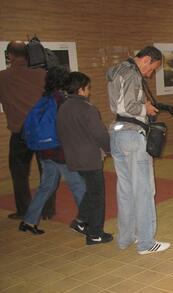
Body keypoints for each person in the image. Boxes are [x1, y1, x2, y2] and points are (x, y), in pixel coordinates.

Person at [107, 46, 170, 255]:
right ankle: (146, 242)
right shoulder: (132, 73)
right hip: (133, 136)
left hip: (117, 135)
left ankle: (125, 237)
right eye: (152, 68)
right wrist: (146, 108)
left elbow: (118, 105)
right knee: (144, 190)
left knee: (125, 190)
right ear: (146, 60)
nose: (150, 73)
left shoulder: (117, 70)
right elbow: (127, 107)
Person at [19, 67, 87, 235]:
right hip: (59, 152)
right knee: (79, 186)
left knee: (46, 186)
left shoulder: (45, 97)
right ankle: (86, 222)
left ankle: (28, 221)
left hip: (43, 151)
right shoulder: (61, 100)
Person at [0, 41, 56, 220]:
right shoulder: (43, 75)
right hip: (42, 130)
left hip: (20, 132)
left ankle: (24, 210)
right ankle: (47, 210)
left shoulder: (3, 77)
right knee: (47, 171)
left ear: (10, 55)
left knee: (19, 173)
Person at [57, 72, 113, 245]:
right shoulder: (88, 109)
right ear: (80, 89)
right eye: (88, 88)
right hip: (90, 158)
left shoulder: (63, 108)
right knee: (97, 195)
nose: (89, 91)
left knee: (90, 191)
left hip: (73, 157)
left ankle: (80, 222)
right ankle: (95, 233)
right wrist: (111, 149)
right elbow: (100, 134)